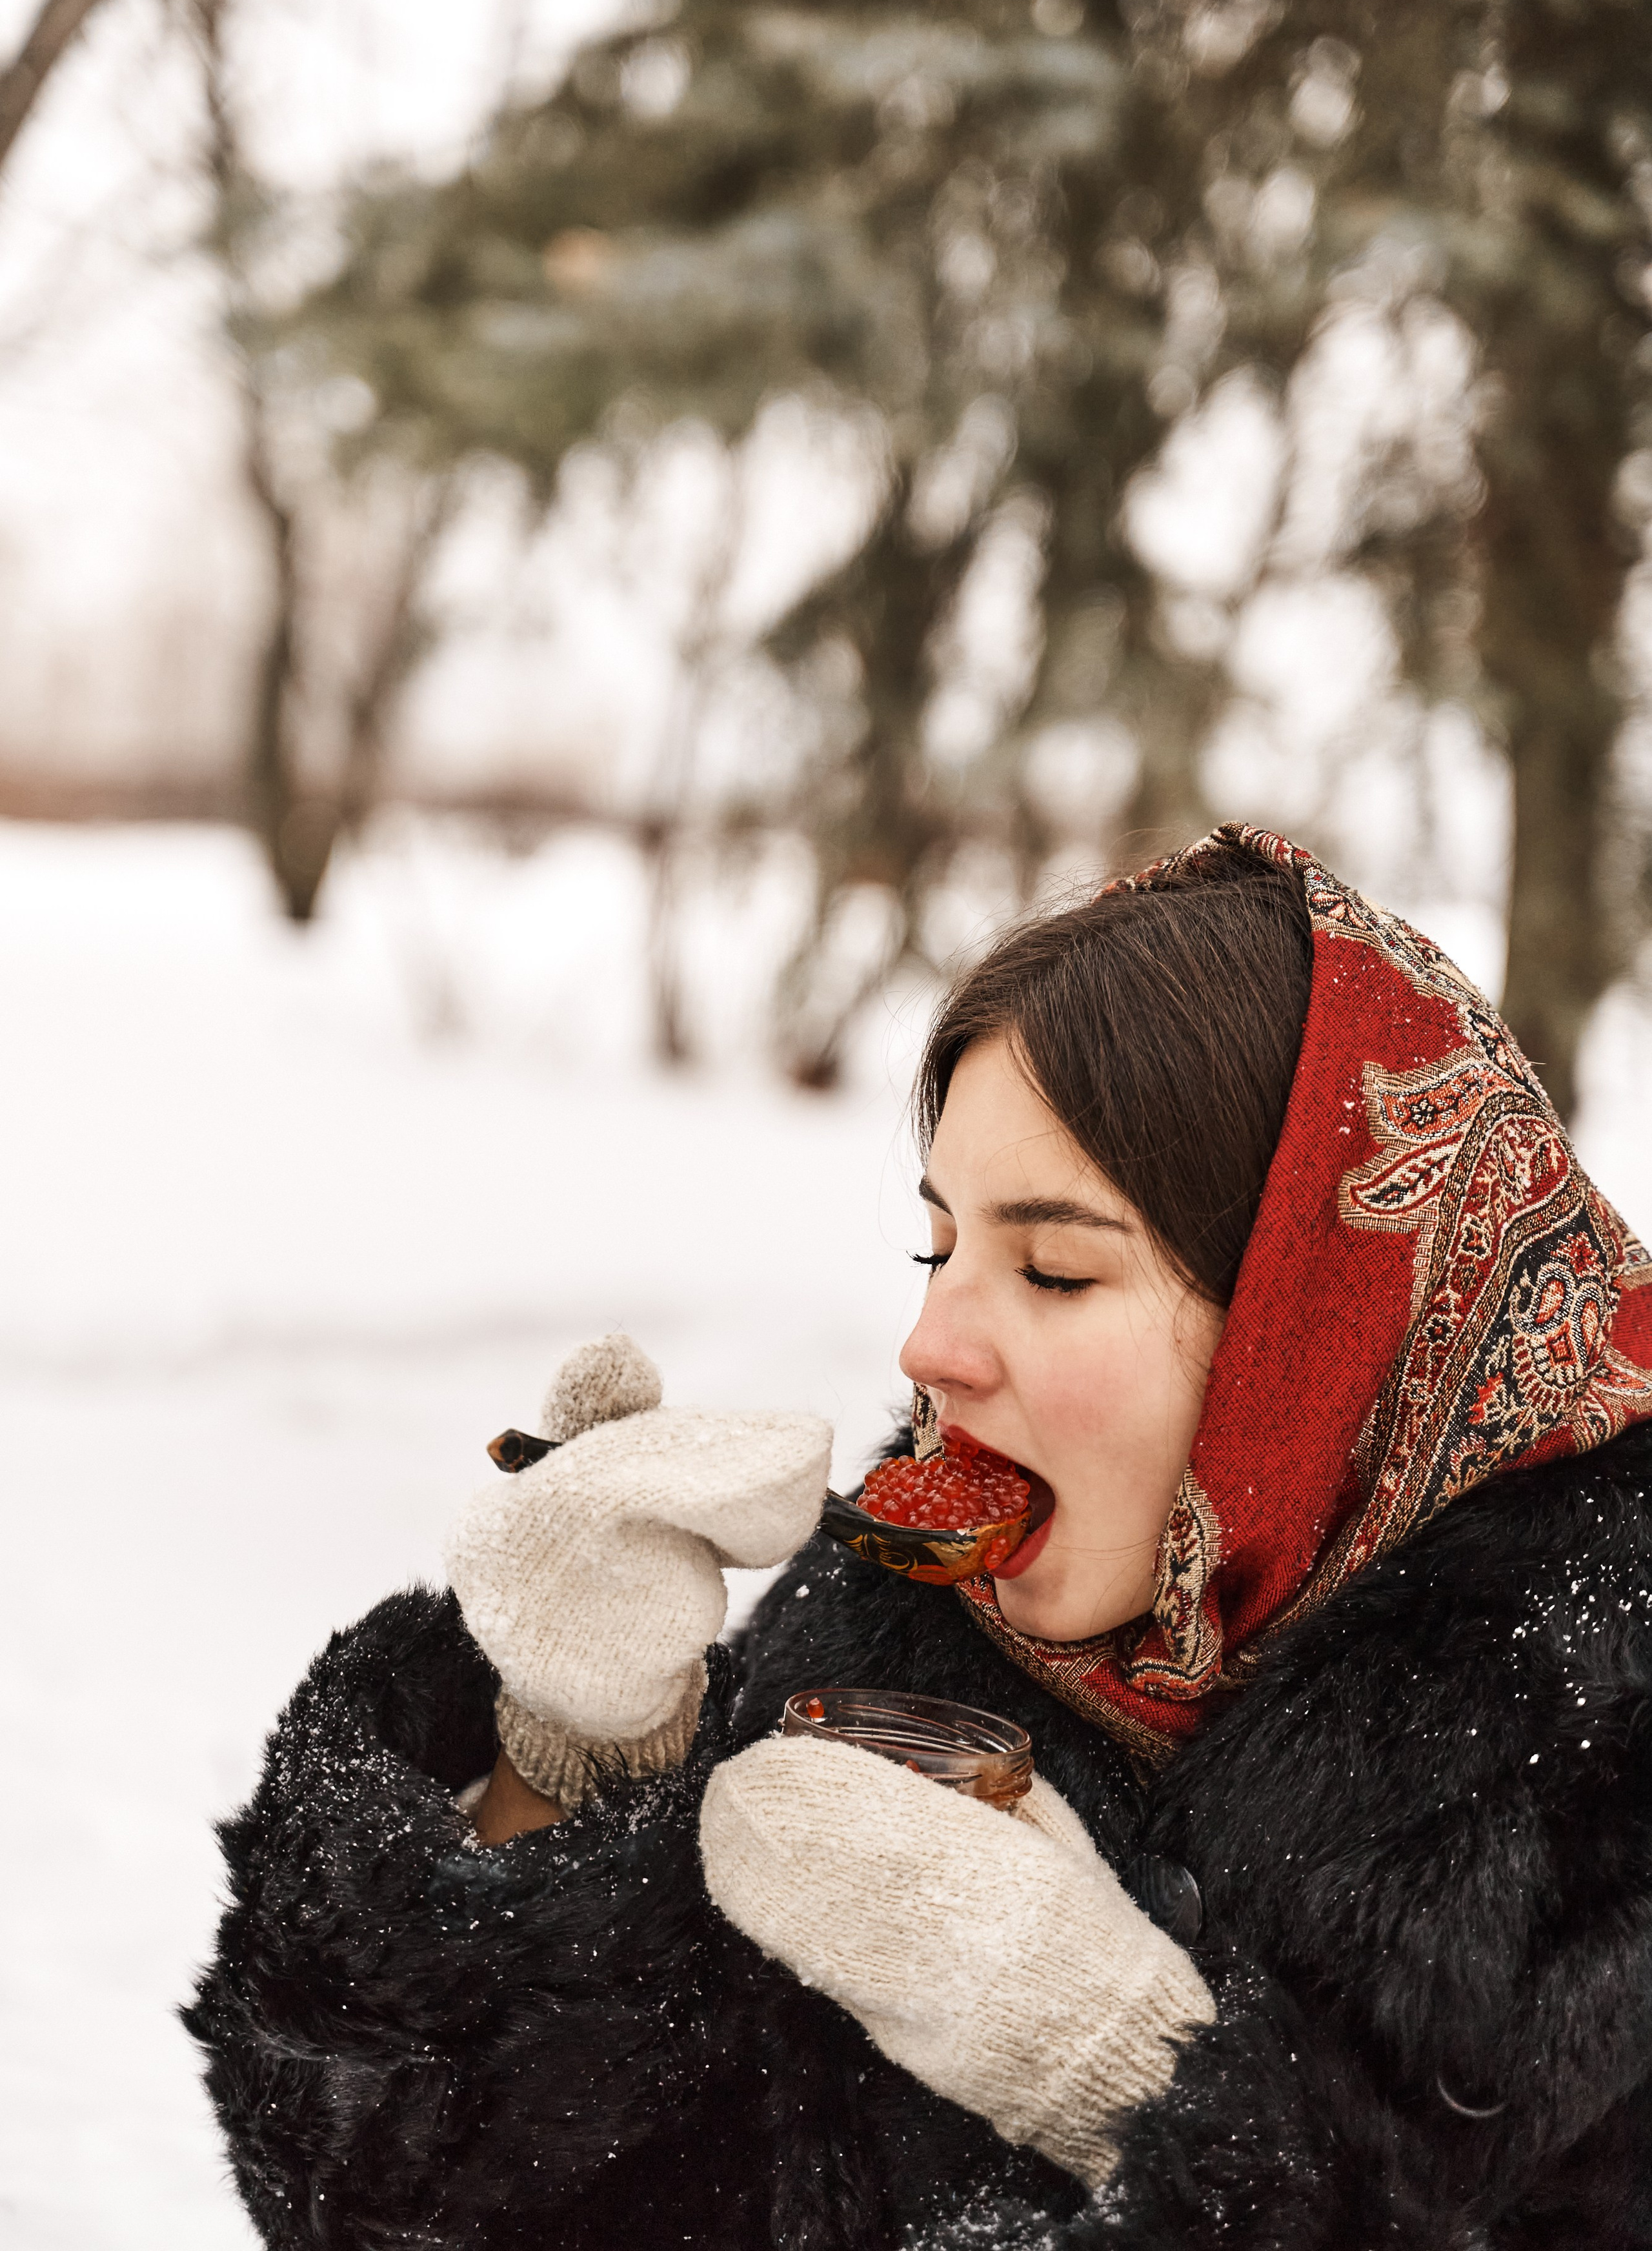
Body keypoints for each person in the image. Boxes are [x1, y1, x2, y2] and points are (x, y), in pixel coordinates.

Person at [185, 825, 1652, 2248]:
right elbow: (435, 2209)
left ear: (1320, 1329)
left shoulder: (1597, 1781)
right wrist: (559, 1772)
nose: (927, 1343)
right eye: (936, 1245)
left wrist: (1132, 2085)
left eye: (1056, 1270)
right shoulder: (887, 1641)